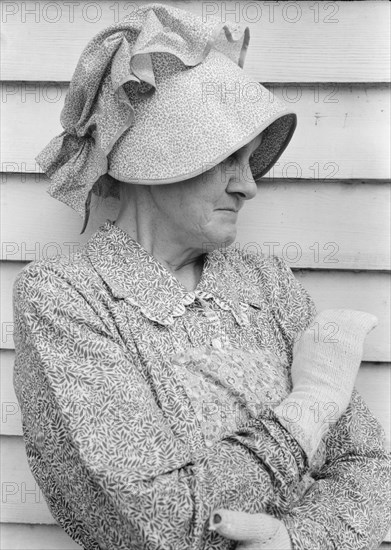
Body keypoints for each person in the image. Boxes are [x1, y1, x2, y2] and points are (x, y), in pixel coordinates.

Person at [12, 3, 390, 550]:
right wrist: (312, 406)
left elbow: (372, 468)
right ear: (151, 163)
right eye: (225, 159)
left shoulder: (266, 282)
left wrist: (291, 540)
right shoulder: (68, 298)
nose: (249, 185)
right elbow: (158, 518)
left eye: (249, 159)